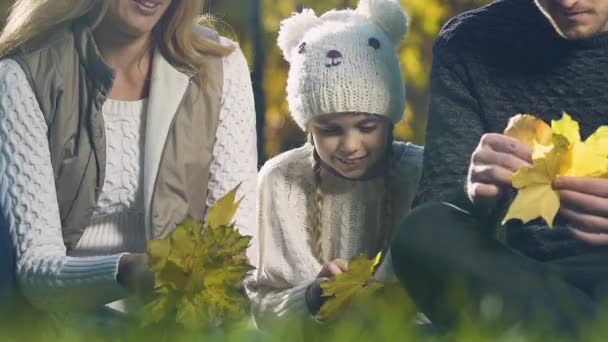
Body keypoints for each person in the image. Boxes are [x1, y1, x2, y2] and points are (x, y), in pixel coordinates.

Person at [0, 0, 257, 326]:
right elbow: (36, 271)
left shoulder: (219, 65)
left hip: (184, 319)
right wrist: (129, 271)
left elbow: (236, 246)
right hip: (64, 320)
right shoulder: (23, 76)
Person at [391, 0, 608, 335]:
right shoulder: (469, 43)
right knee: (421, 232)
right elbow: (438, 205)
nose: (567, 2)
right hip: (521, 280)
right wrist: (474, 192)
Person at [244, 0, 423, 330]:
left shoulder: (418, 174)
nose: (351, 145)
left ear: (390, 117)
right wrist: (311, 296)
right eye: (329, 130)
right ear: (308, 126)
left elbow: (446, 300)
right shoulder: (280, 181)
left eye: (367, 127)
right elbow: (263, 306)